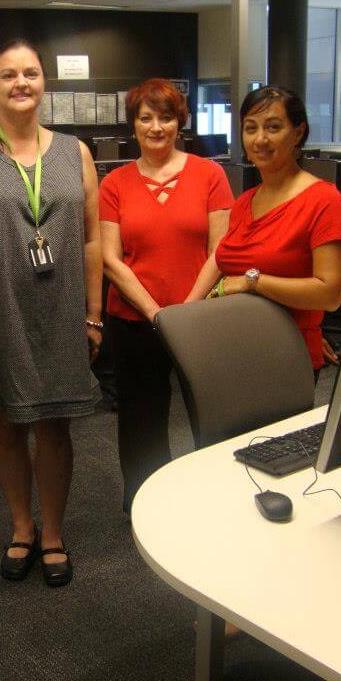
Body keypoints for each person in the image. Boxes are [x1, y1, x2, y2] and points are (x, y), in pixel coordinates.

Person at [0, 39, 102, 587]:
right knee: (7, 427)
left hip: (61, 313)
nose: (21, 83)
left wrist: (94, 314)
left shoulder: (74, 152)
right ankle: (22, 528)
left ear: (44, 82)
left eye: (30, 73)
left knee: (54, 429)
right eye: (8, 75)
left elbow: (93, 239)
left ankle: (52, 534)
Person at [99, 78, 235, 512]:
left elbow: (220, 251)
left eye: (166, 117)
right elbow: (110, 260)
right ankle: (146, 503)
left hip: (198, 319)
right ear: (133, 125)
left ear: (180, 122)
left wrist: (184, 311)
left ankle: (216, 498)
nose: (156, 127)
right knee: (141, 418)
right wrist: (157, 314)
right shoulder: (114, 183)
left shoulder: (210, 174)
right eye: (146, 118)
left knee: (211, 412)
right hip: (135, 321)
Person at [188, 85, 341, 372]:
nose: (260, 139)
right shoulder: (245, 202)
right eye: (250, 128)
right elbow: (222, 261)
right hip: (233, 348)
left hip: (284, 356)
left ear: (298, 133)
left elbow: (330, 294)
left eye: (273, 127)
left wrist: (251, 281)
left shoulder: (323, 200)